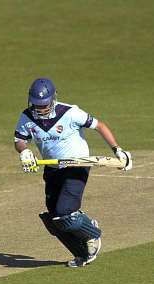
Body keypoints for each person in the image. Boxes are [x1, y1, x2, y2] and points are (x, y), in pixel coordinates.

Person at [14, 78, 132, 268]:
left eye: (44, 105)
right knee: (53, 219)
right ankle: (82, 254)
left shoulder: (70, 113)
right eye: (36, 105)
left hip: (77, 166)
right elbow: (20, 139)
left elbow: (99, 125)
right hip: (52, 169)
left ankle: (92, 232)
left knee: (64, 213)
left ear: (53, 100)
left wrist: (117, 150)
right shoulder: (27, 116)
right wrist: (24, 151)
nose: (40, 109)